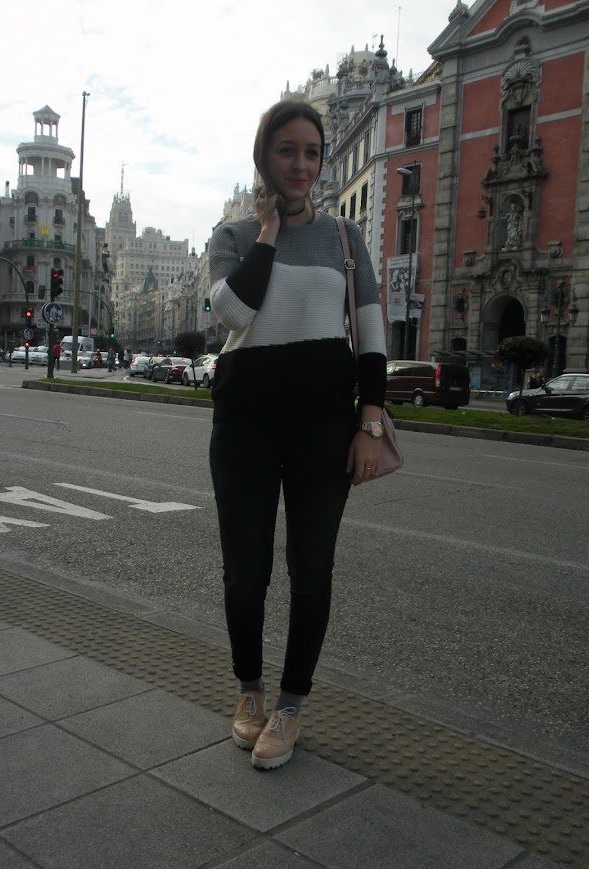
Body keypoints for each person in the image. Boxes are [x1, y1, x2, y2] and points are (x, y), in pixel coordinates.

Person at [208, 99, 387, 771]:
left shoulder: (345, 238)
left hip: (323, 428)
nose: (301, 164)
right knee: (244, 571)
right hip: (244, 426)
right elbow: (233, 311)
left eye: (311, 152)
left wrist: (369, 423)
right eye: (287, 150)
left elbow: (371, 334)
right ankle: (250, 693)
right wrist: (267, 232)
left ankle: (289, 707)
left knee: (311, 570)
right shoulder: (231, 236)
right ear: (264, 157)